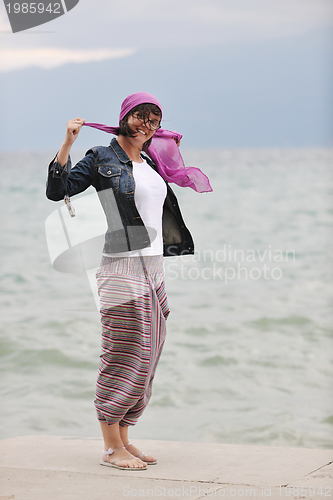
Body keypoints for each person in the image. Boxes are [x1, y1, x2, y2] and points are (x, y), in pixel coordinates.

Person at [46, 92, 212, 471]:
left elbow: (169, 184)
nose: (147, 125)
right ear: (126, 116)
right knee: (125, 351)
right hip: (121, 263)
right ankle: (108, 447)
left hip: (152, 263)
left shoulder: (150, 157)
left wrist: (165, 144)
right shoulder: (100, 158)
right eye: (141, 117)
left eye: (154, 119)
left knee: (150, 351)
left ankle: (123, 436)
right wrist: (67, 143)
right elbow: (58, 191)